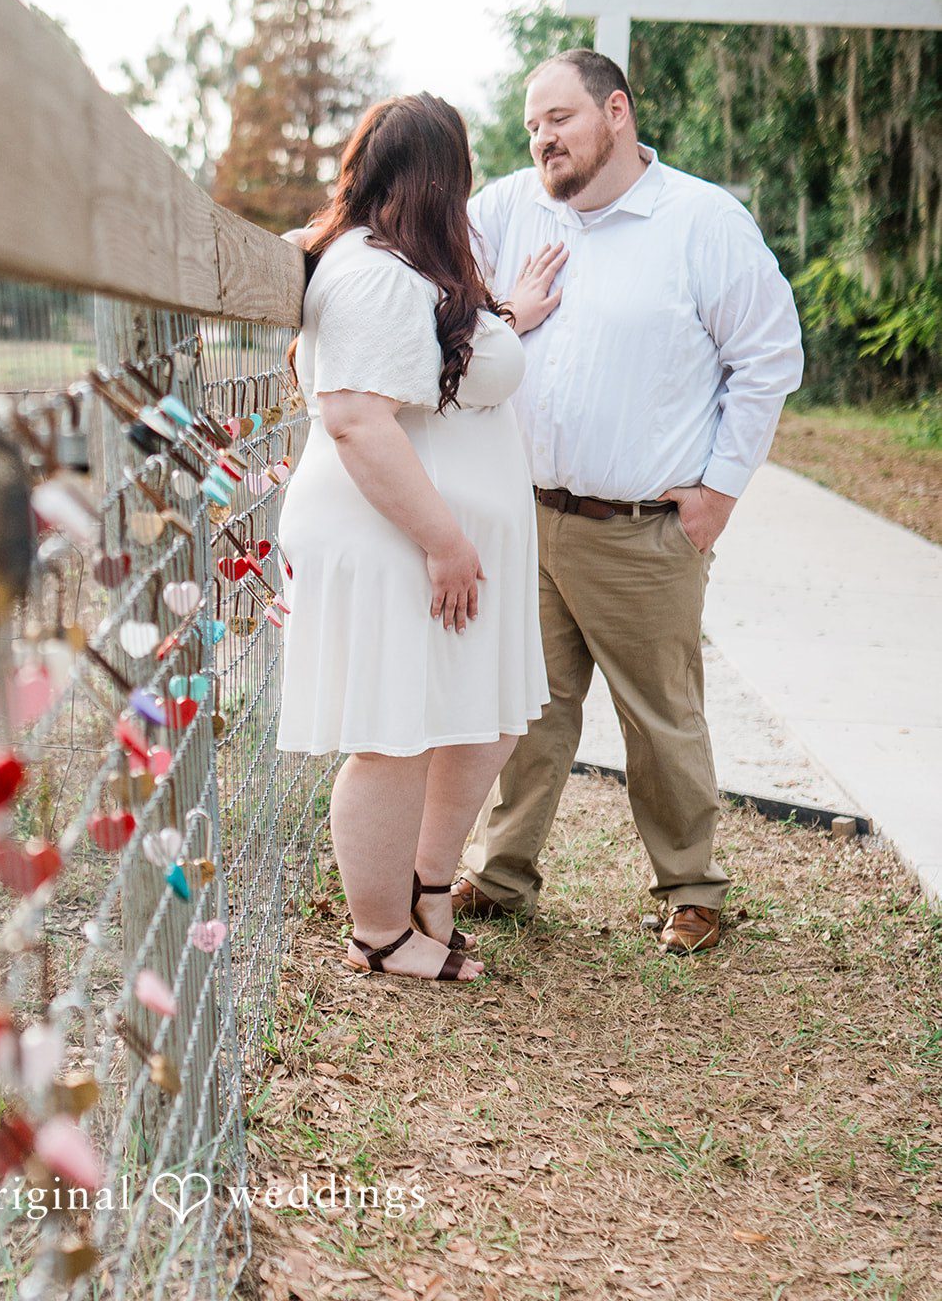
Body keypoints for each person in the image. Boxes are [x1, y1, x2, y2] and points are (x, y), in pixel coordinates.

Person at [454, 48, 804, 954]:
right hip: (526, 515)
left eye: (558, 119)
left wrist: (718, 492)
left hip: (644, 530)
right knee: (524, 709)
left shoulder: (700, 221)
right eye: (531, 125)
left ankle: (689, 887)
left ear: (615, 111)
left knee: (658, 718)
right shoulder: (503, 209)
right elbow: (437, 296)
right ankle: (500, 875)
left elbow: (767, 357)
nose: (541, 139)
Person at [275, 93, 549, 983]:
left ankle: (428, 889)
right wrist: (444, 541)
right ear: (442, 177)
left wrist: (509, 315)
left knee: (466, 720)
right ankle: (379, 933)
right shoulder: (369, 272)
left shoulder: (402, 264)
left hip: (433, 538)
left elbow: (433, 364)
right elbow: (356, 418)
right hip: (396, 536)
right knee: (393, 731)